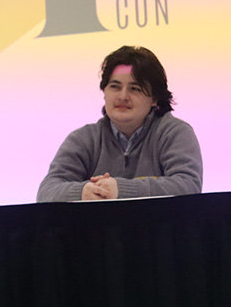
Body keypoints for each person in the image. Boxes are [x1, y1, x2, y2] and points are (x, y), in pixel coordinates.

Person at [36, 45, 202, 202]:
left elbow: (188, 185)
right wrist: (82, 192)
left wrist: (121, 190)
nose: (123, 96)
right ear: (104, 92)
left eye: (135, 88)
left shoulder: (174, 133)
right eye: (115, 87)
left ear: (154, 98)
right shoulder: (83, 138)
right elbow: (47, 191)